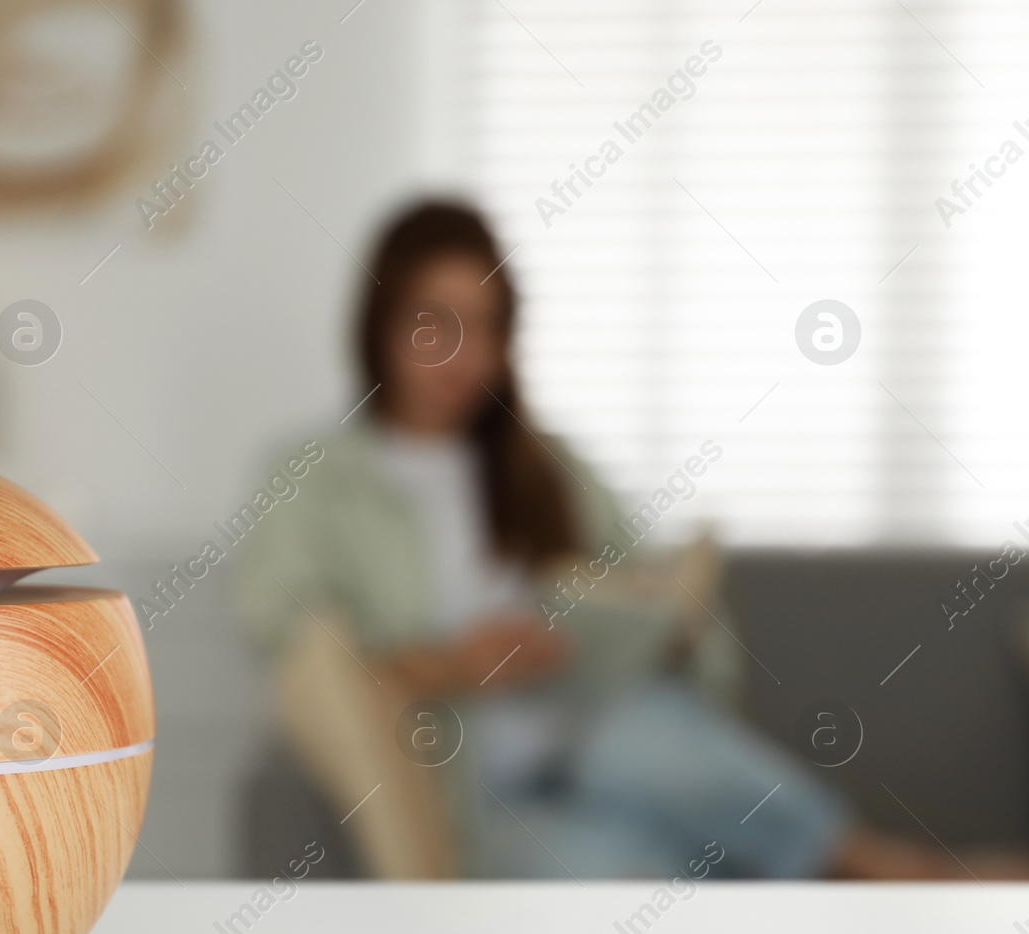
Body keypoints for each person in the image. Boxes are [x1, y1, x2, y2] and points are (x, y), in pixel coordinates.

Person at [237, 199, 1019, 879]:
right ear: (381, 322)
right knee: (624, 877)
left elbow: (638, 582)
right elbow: (297, 645)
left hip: (597, 727)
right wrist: (458, 663)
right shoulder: (312, 479)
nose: (457, 353)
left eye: (482, 327)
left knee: (640, 745)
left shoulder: (546, 463)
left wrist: (652, 621)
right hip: (479, 784)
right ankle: (868, 885)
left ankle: (880, 869)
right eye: (431, 323)